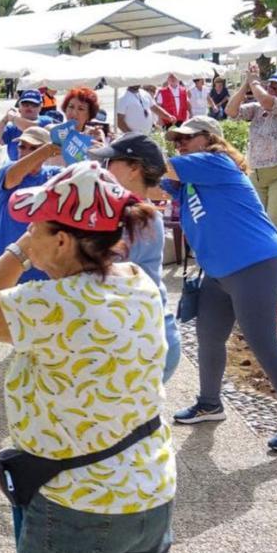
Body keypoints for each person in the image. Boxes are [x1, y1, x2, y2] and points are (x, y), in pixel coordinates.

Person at [0, 161, 176, 553]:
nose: (25, 236)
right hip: (149, 489)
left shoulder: (49, 304)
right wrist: (33, 239)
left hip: (79, 502)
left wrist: (15, 252)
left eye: (33, 228)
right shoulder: (136, 283)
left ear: (62, 241)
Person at [161, 116, 277, 451]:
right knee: (209, 336)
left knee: (263, 343)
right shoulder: (191, 178)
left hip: (254, 262)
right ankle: (209, 403)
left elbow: (158, 167)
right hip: (219, 269)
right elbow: (148, 182)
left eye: (186, 138)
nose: (178, 144)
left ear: (210, 139)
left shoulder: (215, 161)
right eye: (175, 140)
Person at [87, 133, 183, 381]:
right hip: (135, 335)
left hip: (144, 341)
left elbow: (94, 271)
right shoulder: (123, 211)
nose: (103, 168)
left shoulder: (140, 217)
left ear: (134, 169)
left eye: (111, 162)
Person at [227, 65, 277, 241]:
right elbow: (230, 111)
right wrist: (246, 85)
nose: (274, 91)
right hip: (258, 172)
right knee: (257, 218)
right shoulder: (257, 107)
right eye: (271, 86)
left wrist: (254, 81)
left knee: (274, 219)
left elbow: (269, 103)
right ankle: (263, 259)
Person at [0, 127, 61, 284]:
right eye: (22, 146)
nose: (25, 151)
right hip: (9, 260)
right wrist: (44, 151)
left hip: (44, 265)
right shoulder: (8, 169)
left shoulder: (54, 174)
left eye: (33, 147)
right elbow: (12, 178)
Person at [0, 90, 54, 162]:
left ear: (41, 106)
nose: (29, 107)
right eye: (25, 104)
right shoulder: (13, 128)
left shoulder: (46, 121)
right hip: (16, 168)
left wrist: (13, 118)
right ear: (19, 106)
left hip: (38, 166)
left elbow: (31, 129)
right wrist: (5, 119)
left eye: (34, 104)